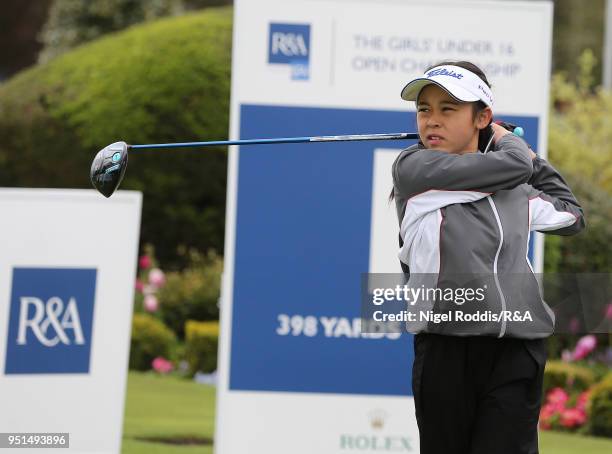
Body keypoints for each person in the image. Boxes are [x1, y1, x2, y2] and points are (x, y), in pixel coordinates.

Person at [390, 61, 585, 454]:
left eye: (448, 109)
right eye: (424, 109)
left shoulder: (516, 189)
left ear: (480, 116)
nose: (432, 120)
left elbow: (571, 214)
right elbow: (513, 164)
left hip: (517, 349)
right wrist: (506, 140)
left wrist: (531, 157)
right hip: (447, 348)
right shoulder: (414, 169)